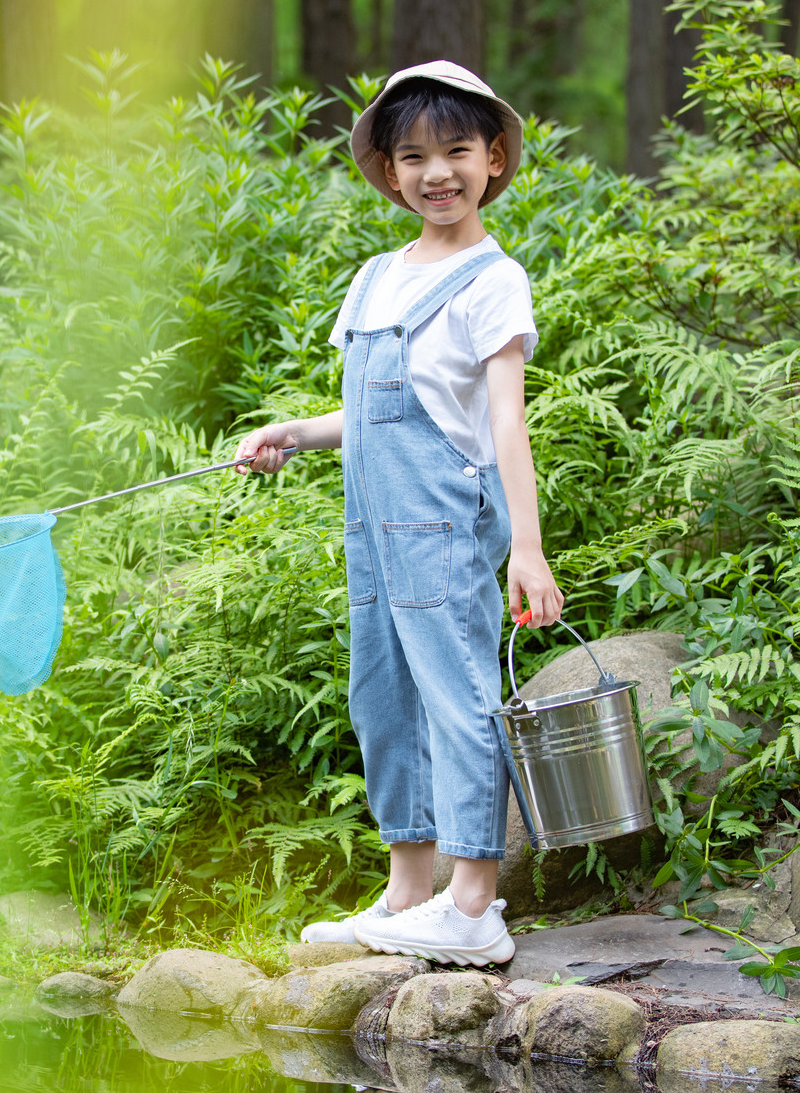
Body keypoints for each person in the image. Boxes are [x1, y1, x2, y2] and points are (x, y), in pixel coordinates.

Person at [233, 60, 562, 966]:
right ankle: (408, 893)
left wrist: (527, 548)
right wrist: (291, 433)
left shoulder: (494, 279)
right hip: (374, 531)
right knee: (383, 698)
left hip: (445, 525)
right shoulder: (377, 276)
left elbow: (504, 421)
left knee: (458, 698)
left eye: (456, 151)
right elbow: (374, 410)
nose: (436, 172)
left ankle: (473, 903)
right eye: (412, 156)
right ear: (388, 171)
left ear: (493, 158)